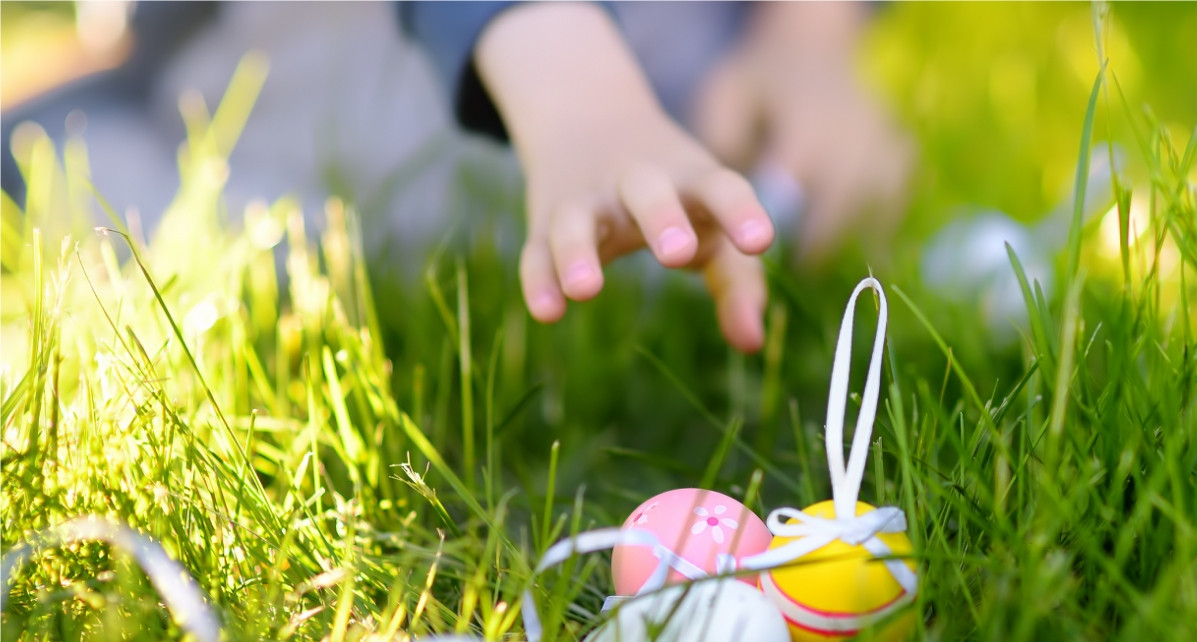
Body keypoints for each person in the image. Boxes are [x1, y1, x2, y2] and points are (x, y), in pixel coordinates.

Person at [4, 2, 913, 353]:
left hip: (667, 108)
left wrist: (806, 41)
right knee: (96, 192)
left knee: (772, 216)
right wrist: (581, 94)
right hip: (301, 100)